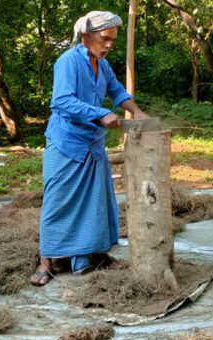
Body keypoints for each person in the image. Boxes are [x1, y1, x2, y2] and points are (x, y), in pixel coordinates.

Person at [30, 11, 149, 286]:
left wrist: (138, 113)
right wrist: (99, 113)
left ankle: (93, 256)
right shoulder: (68, 62)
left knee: (97, 203)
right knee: (56, 203)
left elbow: (118, 92)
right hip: (66, 144)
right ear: (87, 36)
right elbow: (61, 102)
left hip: (92, 145)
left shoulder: (102, 66)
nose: (108, 45)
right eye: (104, 38)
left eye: (112, 41)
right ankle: (46, 262)